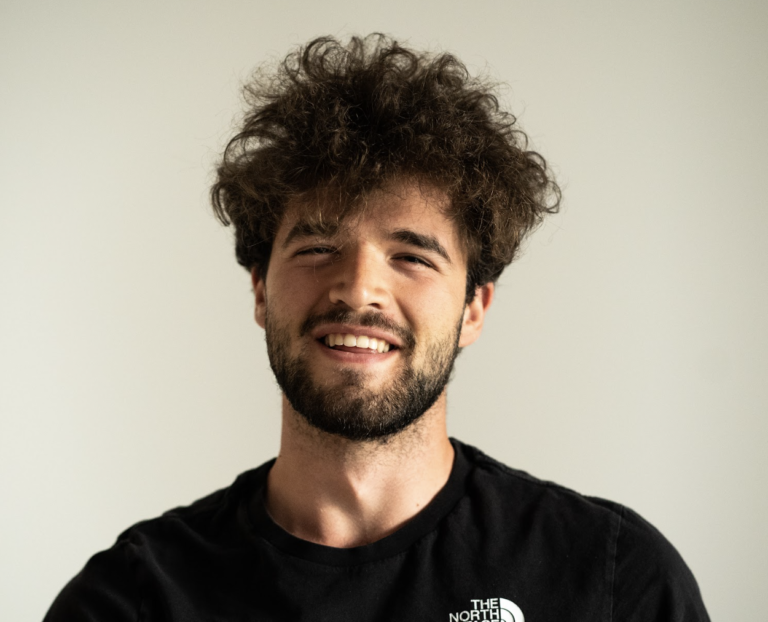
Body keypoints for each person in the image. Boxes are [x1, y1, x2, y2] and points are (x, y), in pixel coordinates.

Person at [44, 34, 710, 621]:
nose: (359, 289)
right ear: (260, 289)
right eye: (316, 247)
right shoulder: (132, 599)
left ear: (474, 308)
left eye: (412, 257)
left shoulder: (612, 580)